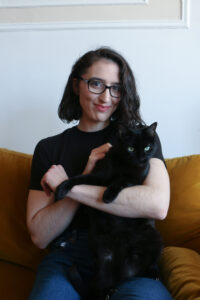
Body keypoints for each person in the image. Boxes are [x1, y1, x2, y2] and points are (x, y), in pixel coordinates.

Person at [27, 47, 172, 300]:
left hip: (132, 253)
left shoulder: (140, 138)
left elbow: (158, 205)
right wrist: (86, 172)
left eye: (116, 88)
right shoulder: (48, 148)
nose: (106, 98)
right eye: (96, 84)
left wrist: (70, 186)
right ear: (76, 85)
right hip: (70, 255)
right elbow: (39, 236)